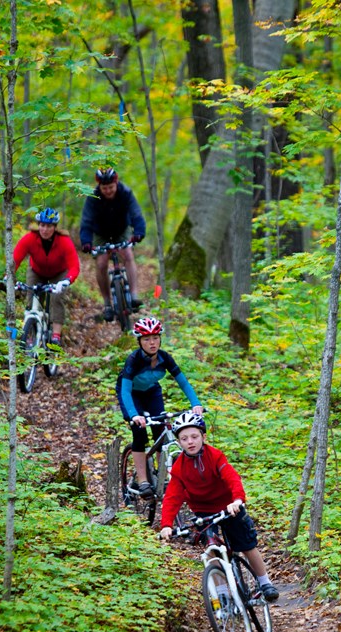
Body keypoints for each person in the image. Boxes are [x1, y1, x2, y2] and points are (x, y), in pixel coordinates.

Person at [159, 413, 279, 602]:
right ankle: (222, 593)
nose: (190, 442)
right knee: (212, 548)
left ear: (203, 437)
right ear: (179, 443)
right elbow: (172, 497)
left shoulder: (214, 456)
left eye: (194, 437)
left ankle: (264, 582)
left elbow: (232, 478)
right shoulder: (179, 467)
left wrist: (237, 500)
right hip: (203, 511)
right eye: (184, 439)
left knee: (247, 544)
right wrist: (166, 524)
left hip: (229, 506)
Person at [117, 316, 203, 498]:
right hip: (131, 394)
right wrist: (134, 415)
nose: (152, 342)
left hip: (152, 392)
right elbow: (125, 391)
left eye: (155, 338)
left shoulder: (165, 358)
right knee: (139, 433)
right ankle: (143, 480)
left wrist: (196, 404)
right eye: (147, 339)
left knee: (161, 432)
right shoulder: (133, 360)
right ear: (139, 341)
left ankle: (163, 478)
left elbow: (184, 383)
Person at [79, 167, 146, 321]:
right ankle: (107, 303)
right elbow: (86, 221)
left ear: (116, 183)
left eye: (111, 187)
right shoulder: (93, 197)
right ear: (99, 187)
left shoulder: (125, 193)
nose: (108, 191)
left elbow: (136, 213)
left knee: (127, 254)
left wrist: (139, 232)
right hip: (100, 233)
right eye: (104, 188)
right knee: (101, 263)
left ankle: (134, 295)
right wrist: (86, 242)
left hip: (121, 230)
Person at [13, 207, 80, 345]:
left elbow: (74, 266)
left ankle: (56, 335)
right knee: (32, 299)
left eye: (49, 226)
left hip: (59, 273)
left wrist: (67, 281)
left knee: (56, 298)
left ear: (55, 227)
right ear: (38, 225)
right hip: (36, 271)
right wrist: (9, 275)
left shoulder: (64, 241)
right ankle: (29, 331)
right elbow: (15, 259)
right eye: (42, 225)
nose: (45, 229)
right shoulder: (30, 238)